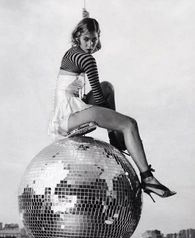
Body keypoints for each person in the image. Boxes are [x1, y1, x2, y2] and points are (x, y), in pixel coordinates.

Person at [48, 12, 176, 202]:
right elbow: (98, 99)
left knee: (107, 86)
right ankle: (147, 177)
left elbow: (100, 92)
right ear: (77, 37)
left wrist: (111, 120)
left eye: (94, 39)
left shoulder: (72, 53)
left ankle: (116, 139)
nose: (90, 44)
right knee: (129, 125)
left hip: (70, 111)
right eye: (86, 39)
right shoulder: (86, 59)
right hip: (68, 117)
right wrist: (117, 124)